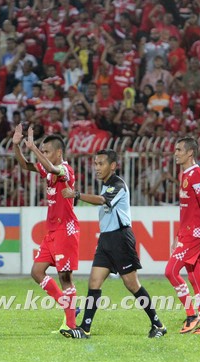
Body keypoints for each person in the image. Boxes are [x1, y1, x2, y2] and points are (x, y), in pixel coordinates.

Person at [61, 149, 167, 338]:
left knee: (132, 284)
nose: (97, 167)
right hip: (106, 240)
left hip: (120, 239)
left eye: (101, 164)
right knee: (94, 282)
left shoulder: (117, 185)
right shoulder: (106, 184)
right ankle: (85, 329)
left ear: (113, 166)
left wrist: (76, 194)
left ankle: (158, 324)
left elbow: (103, 200)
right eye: (95, 164)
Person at [12, 123, 80, 337]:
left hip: (65, 231)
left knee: (65, 277)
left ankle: (71, 325)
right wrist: (17, 146)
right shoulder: (49, 170)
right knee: (36, 272)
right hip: (52, 232)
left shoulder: (65, 170)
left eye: (47, 151)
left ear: (58, 153)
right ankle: (68, 306)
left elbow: (51, 168)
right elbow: (25, 166)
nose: (44, 154)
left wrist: (33, 148)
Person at [164, 137, 200, 334]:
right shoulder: (184, 174)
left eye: (179, 150)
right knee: (196, 278)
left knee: (171, 271)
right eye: (175, 149)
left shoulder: (198, 175)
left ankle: (191, 314)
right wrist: (177, 234)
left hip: (194, 236)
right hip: (186, 234)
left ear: (190, 153)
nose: (175, 153)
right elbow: (187, 209)